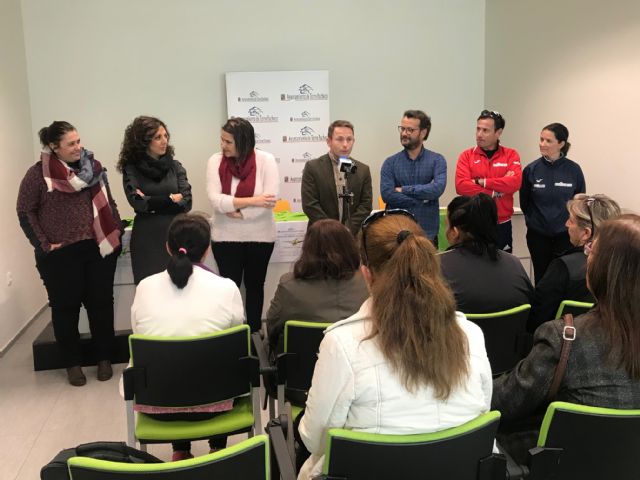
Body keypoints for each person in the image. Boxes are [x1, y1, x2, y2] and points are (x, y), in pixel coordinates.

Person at [297, 210, 492, 479]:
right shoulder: (470, 334)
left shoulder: (342, 344)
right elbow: (483, 408)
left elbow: (314, 440)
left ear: (366, 274)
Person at [493, 214, 640, 464]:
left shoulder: (563, 338)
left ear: (603, 269)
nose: (587, 257)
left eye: (591, 251)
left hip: (570, 464)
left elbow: (506, 401)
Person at [130, 213, 245, 461]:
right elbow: (238, 339)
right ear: (207, 249)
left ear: (167, 247)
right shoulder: (226, 287)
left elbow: (138, 335)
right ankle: (218, 448)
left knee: (171, 356)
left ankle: (180, 450)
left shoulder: (145, 287)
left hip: (158, 404)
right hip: (218, 403)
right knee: (222, 355)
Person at [17, 121, 122, 386]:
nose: (78, 147)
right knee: (65, 309)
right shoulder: (38, 175)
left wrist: (117, 231)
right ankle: (72, 364)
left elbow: (109, 203)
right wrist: (43, 244)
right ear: (54, 146)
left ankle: (104, 359)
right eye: (71, 143)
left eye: (78, 141)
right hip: (60, 255)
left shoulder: (93, 168)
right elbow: (25, 211)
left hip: (97, 249)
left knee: (101, 305)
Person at [206, 117, 279, 333]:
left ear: (244, 141)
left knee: (255, 286)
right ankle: (233, 333)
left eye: (228, 142)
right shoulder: (215, 161)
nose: (223, 145)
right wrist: (253, 201)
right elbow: (215, 200)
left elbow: (269, 201)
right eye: (222, 140)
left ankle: (255, 332)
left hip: (261, 236)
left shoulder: (266, 160)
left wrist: (239, 211)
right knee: (230, 288)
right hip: (225, 237)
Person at [266, 219, 369, 353]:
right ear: (350, 247)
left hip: (301, 363)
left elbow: (272, 327)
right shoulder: (368, 283)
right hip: (358, 359)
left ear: (307, 249)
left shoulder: (289, 286)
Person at [527, 193, 621, 333]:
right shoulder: (623, 265)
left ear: (586, 233)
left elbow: (536, 319)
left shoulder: (563, 267)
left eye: (571, 220)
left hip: (564, 339)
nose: (566, 224)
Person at [117, 116, 192, 285]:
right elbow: (137, 203)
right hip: (147, 238)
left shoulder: (175, 166)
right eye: (158, 137)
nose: (164, 141)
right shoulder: (131, 169)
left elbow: (187, 202)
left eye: (166, 136)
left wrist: (151, 201)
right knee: (148, 290)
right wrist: (171, 198)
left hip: (177, 234)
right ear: (143, 142)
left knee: (180, 290)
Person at [440, 194, 533, 314]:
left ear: (455, 232)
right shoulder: (514, 264)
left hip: (459, 326)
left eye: (447, 225)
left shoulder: (439, 266)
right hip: (512, 326)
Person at [520, 123, 586, 283]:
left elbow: (579, 204)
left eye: (548, 141)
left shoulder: (574, 170)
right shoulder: (531, 170)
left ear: (561, 144)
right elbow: (525, 203)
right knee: (541, 278)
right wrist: (535, 223)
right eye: (541, 139)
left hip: (566, 236)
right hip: (538, 236)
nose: (542, 144)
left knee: (565, 278)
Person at [455, 110, 522, 253]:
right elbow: (461, 186)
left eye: (485, 130)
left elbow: (515, 183)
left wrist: (481, 182)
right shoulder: (466, 156)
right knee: (473, 265)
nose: (479, 134)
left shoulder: (511, 155)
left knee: (502, 265)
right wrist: (494, 191)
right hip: (473, 223)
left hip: (501, 224)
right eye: (478, 129)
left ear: (498, 133)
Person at [380, 110, 447, 244]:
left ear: (423, 133)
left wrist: (404, 190)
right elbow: (387, 194)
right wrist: (422, 201)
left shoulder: (437, 160)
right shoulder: (390, 163)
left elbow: (437, 189)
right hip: (397, 236)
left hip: (427, 235)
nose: (404, 133)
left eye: (410, 130)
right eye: (402, 128)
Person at [301, 120, 372, 236]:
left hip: (351, 237)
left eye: (349, 139)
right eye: (339, 139)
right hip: (321, 236)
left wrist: (348, 229)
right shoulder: (313, 167)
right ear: (329, 141)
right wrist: (332, 230)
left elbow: (366, 205)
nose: (345, 144)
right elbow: (310, 204)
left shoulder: (363, 170)